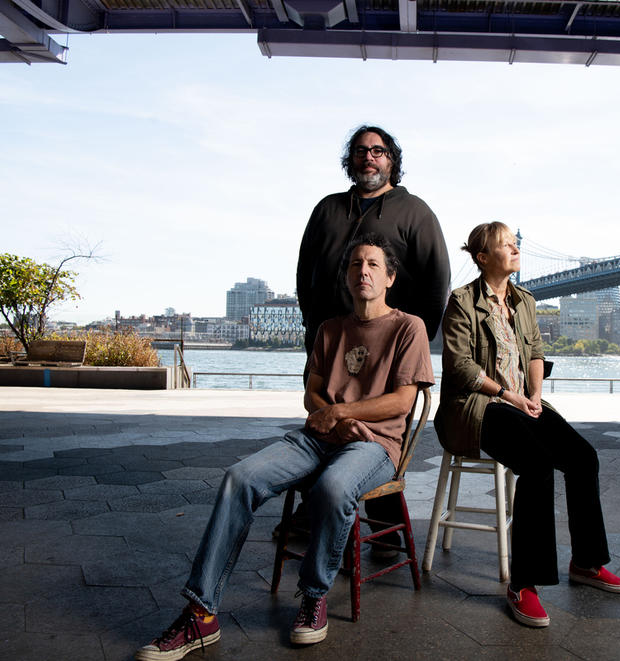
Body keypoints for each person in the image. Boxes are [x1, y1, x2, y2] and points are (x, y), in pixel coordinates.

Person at [135, 234, 434, 660]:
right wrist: (331, 417)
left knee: (332, 489)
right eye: (354, 264)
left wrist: (345, 416)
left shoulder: (409, 327)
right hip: (317, 437)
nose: (361, 271)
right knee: (239, 478)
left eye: (371, 264)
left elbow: (403, 401)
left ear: (389, 276)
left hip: (374, 445)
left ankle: (314, 597)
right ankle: (201, 614)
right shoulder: (331, 329)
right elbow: (312, 396)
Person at [434, 221, 620, 630]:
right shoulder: (462, 301)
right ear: (483, 257)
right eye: (505, 244)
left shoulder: (525, 300)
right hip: (476, 406)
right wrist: (509, 395)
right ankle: (523, 584)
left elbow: (536, 352)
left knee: (582, 457)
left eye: (514, 242)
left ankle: (587, 563)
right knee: (538, 466)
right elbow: (459, 366)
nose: (515, 247)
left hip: (523, 403)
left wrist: (535, 396)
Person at [294, 125, 450, 551]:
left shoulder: (415, 211)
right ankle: (315, 515)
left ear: (391, 160)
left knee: (375, 430)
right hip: (330, 342)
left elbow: (438, 282)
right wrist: (314, 329)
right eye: (361, 151)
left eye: (378, 151)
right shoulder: (327, 209)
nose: (369, 158)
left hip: (389, 348)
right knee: (325, 423)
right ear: (351, 159)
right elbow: (305, 272)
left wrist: (410, 342)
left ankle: (377, 529)